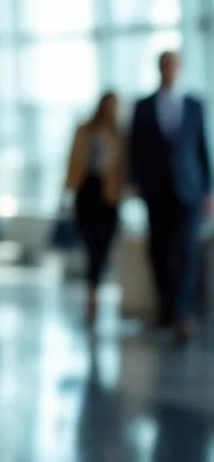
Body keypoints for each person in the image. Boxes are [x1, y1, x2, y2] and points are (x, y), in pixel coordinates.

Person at [128, 51, 212, 342]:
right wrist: (135, 181)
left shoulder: (194, 105)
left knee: (187, 249)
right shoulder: (143, 106)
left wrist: (208, 191)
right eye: (165, 65)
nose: (169, 70)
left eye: (173, 65)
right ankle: (166, 308)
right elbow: (135, 149)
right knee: (160, 250)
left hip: (189, 189)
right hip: (156, 189)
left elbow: (202, 149)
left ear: (179, 69)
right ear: (159, 68)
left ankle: (182, 313)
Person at [63, 91, 127, 326]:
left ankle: (94, 289)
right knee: (91, 244)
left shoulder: (120, 135)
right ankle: (92, 293)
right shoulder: (84, 131)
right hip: (87, 192)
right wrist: (67, 190)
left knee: (103, 245)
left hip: (109, 196)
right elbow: (72, 161)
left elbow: (125, 166)